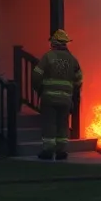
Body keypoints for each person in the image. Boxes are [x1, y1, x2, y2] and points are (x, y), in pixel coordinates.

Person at [31, 29, 83, 160]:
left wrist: (39, 88)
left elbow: (36, 74)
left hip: (49, 97)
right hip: (66, 99)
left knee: (49, 123)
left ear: (54, 43)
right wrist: (73, 93)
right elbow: (79, 79)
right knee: (63, 124)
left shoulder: (48, 57)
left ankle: (48, 151)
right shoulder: (73, 60)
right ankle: (61, 152)